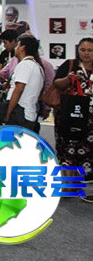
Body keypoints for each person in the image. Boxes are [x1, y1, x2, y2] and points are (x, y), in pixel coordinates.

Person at [52, 37, 93, 190]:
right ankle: (67, 184)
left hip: (89, 118)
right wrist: (68, 79)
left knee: (85, 149)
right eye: (83, 50)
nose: (86, 53)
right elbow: (56, 83)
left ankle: (77, 181)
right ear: (78, 50)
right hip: (68, 114)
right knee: (67, 147)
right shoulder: (70, 65)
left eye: (90, 50)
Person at [4, 34, 44, 132]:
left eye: (17, 45)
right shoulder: (37, 66)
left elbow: (18, 90)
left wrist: (8, 114)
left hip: (20, 114)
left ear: (22, 47)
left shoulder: (25, 65)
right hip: (29, 113)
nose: (15, 48)